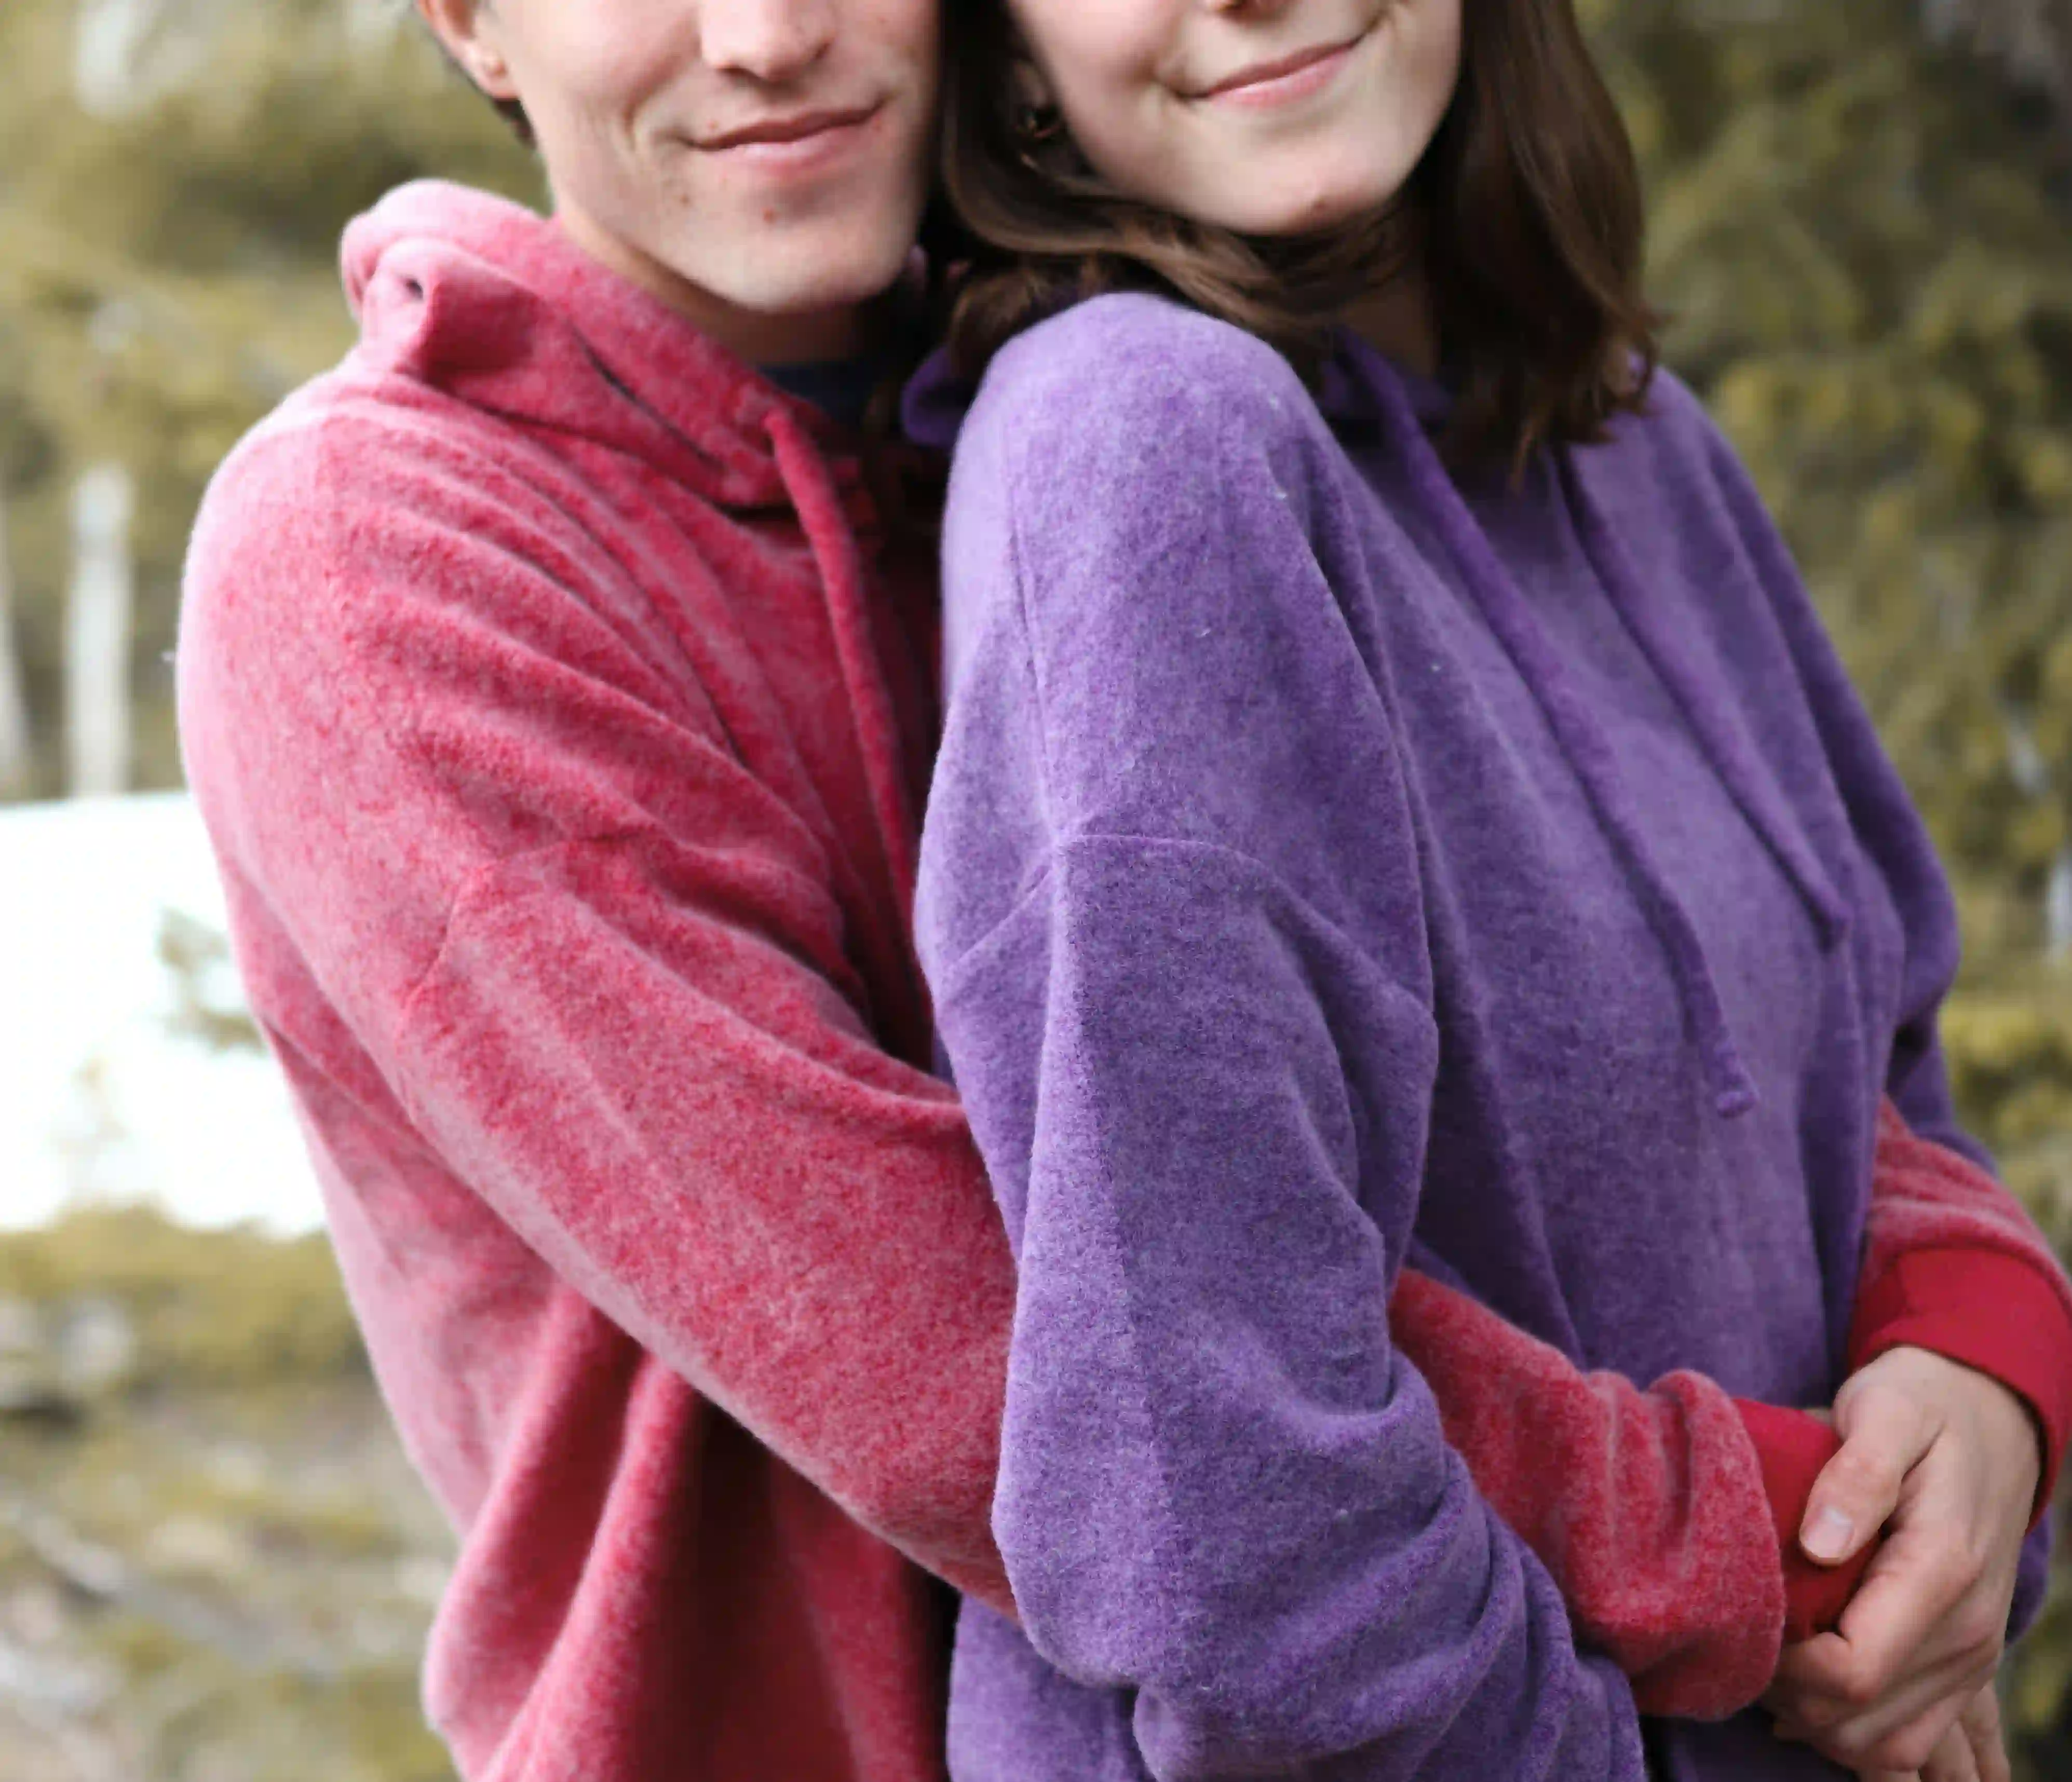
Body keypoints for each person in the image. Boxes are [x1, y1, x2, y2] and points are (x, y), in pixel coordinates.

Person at [173, 0, 2070, 1777]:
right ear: (468, 19)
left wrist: (1974, 1359)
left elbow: (1831, 1024)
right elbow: (1048, 1365)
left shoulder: (1190, 387)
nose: (761, 38)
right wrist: (1797, 1539)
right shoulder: (375, 560)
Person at [906, 2, 2072, 1779]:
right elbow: (1225, 1504)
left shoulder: (1637, 446)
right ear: (1008, 62)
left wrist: (1978, 1382)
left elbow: (1878, 1064)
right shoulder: (1138, 447)